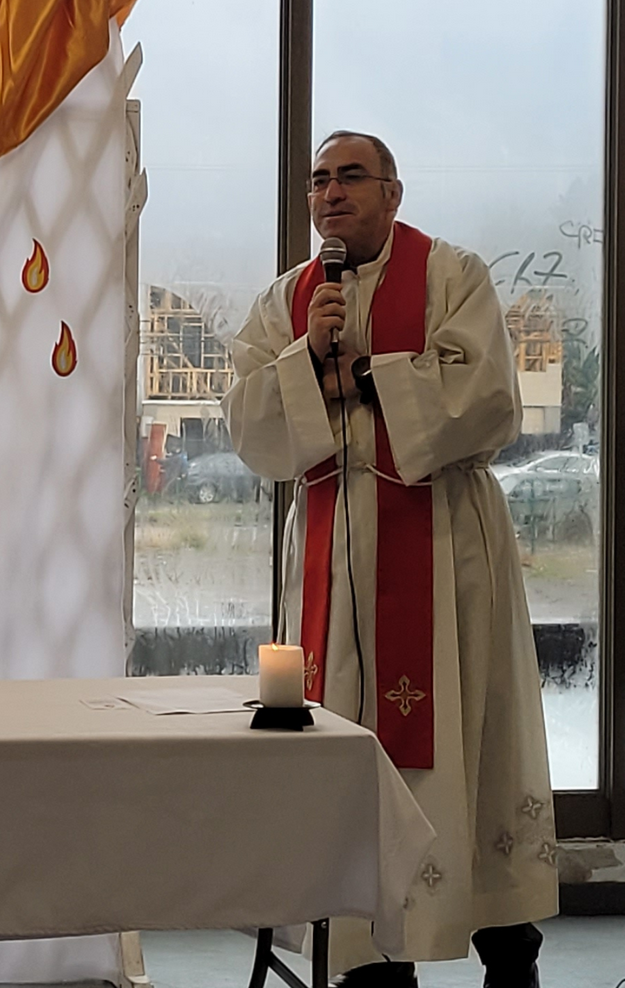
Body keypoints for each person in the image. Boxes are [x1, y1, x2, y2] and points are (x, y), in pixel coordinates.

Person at [223, 131, 556, 988]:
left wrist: (362, 374)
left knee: (469, 733)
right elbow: (248, 423)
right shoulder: (287, 301)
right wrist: (310, 361)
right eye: (318, 181)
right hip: (332, 544)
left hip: (443, 545)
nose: (331, 193)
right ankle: (368, 958)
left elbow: (486, 395)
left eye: (351, 177)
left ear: (393, 192)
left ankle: (505, 944)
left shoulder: (452, 276)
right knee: (342, 736)